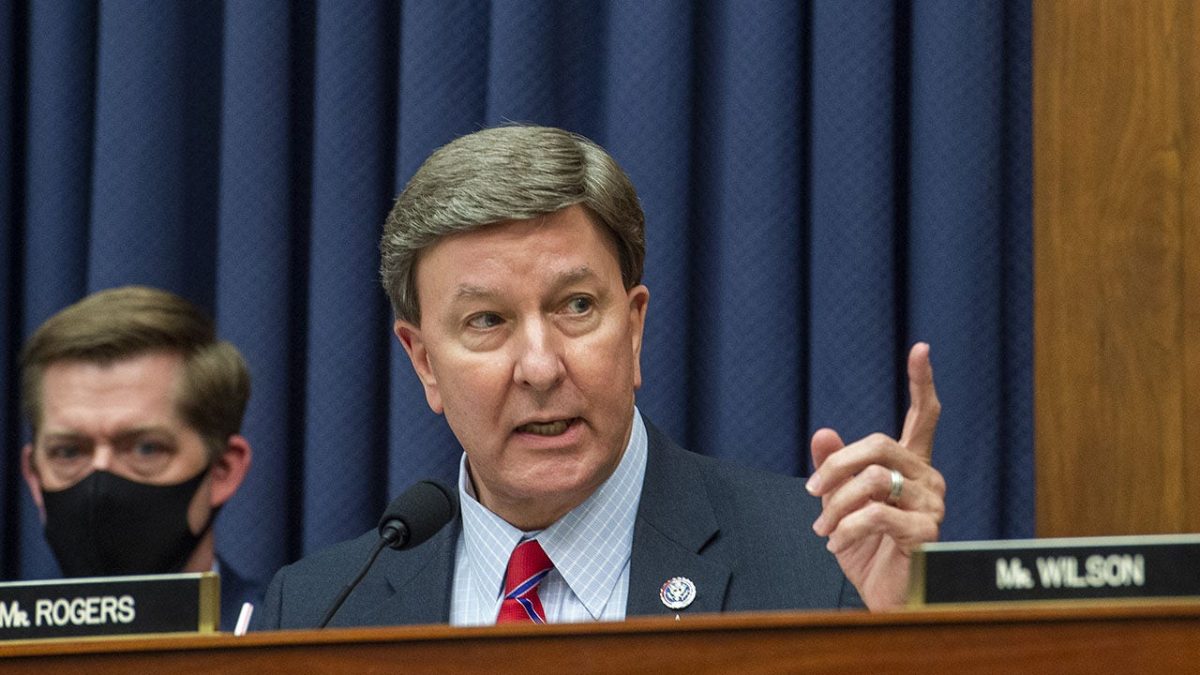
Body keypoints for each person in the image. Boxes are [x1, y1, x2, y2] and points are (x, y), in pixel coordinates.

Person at [255, 125, 945, 628]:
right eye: (487, 320)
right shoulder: (320, 610)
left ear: (634, 328)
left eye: (576, 306)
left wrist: (907, 636)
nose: (540, 366)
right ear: (424, 362)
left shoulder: (825, 562)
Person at [18, 285, 262, 631]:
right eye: (69, 452)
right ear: (34, 477)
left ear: (223, 470)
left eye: (145, 448)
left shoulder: (293, 643)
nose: (100, 478)